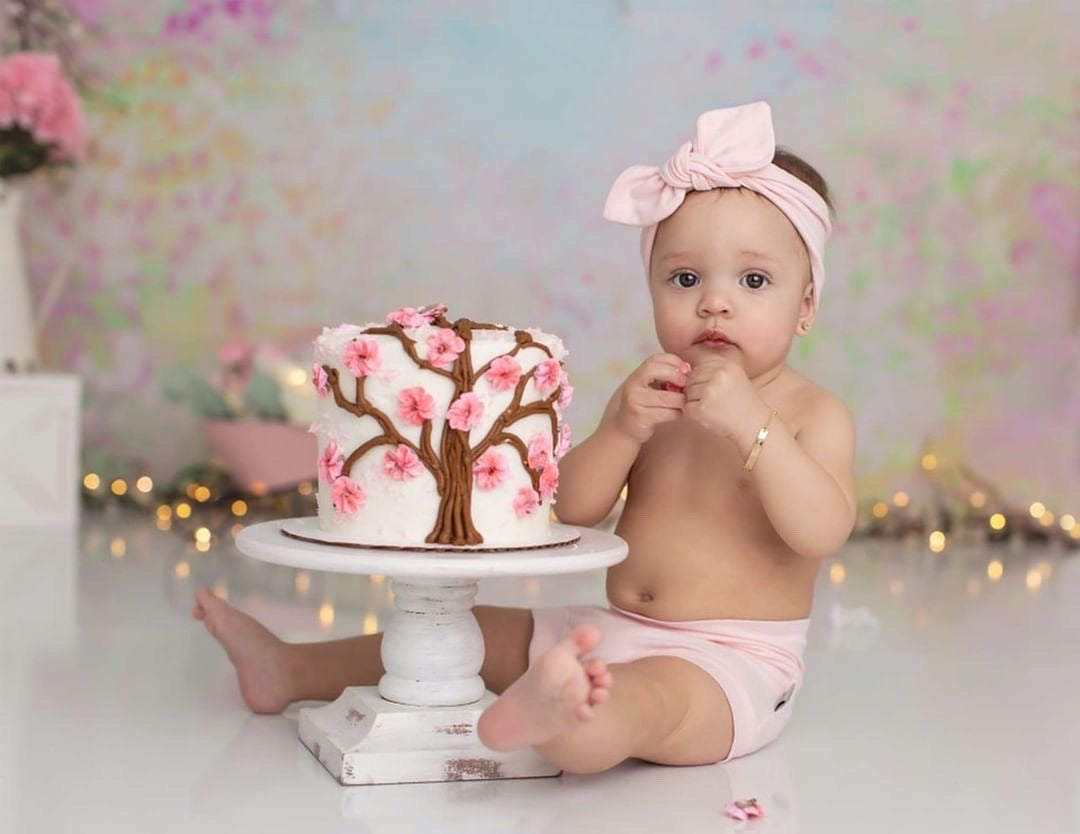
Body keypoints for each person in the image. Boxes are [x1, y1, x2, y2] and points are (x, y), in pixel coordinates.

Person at [194, 100, 856, 773]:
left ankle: (561, 722)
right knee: (470, 630)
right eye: (685, 279)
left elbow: (821, 529)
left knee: (647, 703)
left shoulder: (811, 413)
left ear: (805, 306)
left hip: (728, 660)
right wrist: (620, 430)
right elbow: (570, 510)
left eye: (753, 280)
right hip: (612, 626)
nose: (715, 301)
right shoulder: (661, 401)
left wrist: (755, 426)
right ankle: (289, 667)